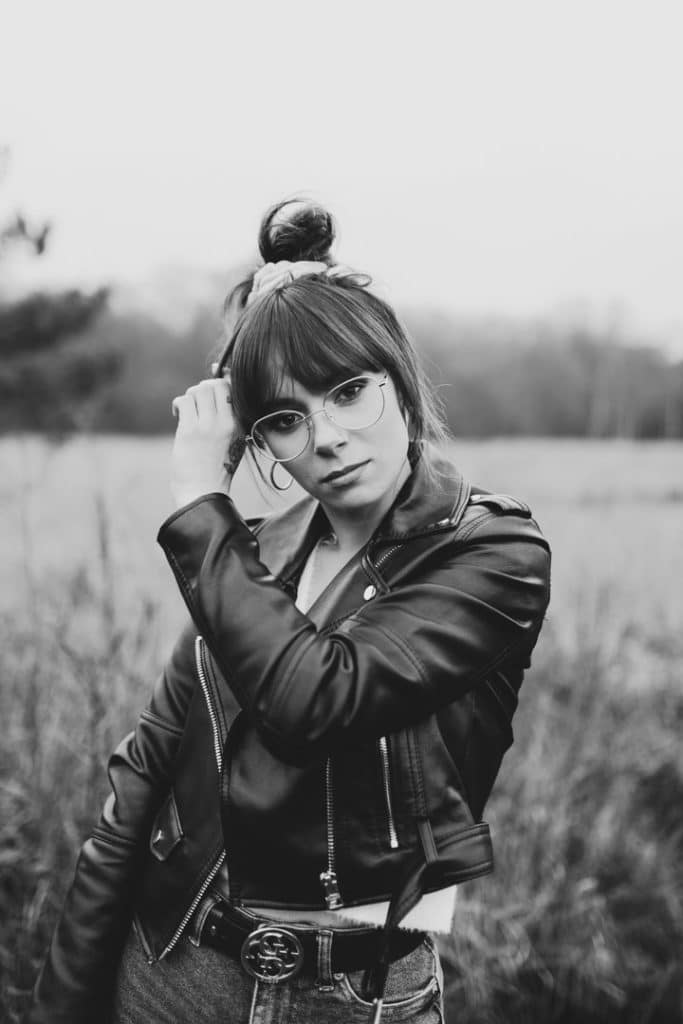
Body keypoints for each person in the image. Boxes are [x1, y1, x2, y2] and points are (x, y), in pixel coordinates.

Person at [28, 199, 551, 1024]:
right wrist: (62, 1005)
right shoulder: (254, 556)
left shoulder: (491, 555)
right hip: (171, 970)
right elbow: (141, 783)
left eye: (350, 392)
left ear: (401, 383)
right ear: (257, 439)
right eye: (285, 419)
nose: (328, 437)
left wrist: (203, 501)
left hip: (351, 997)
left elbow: (315, 700)